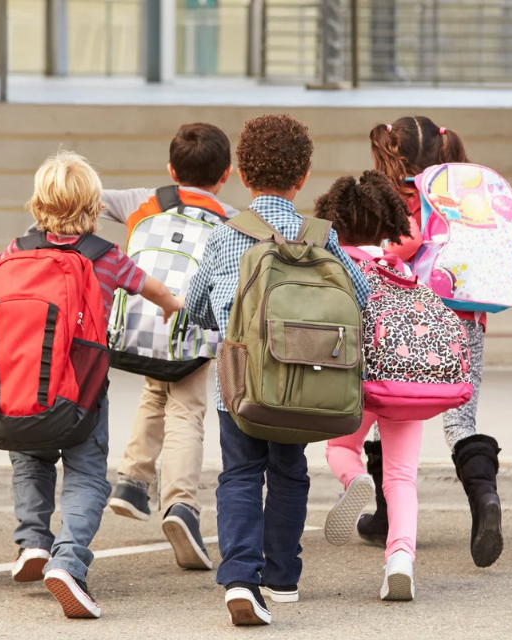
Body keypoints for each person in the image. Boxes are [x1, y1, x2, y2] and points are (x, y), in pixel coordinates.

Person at [0, 151, 185, 619]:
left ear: (38, 203)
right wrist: (173, 304)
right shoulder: (105, 257)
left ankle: (32, 540)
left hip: (22, 390)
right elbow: (150, 288)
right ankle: (68, 560)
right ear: (93, 206)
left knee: (30, 461)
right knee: (87, 473)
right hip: (81, 396)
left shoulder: (17, 249)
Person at [186, 115, 371, 625]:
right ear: (303, 175)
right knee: (289, 473)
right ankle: (283, 577)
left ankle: (241, 578)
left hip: (241, 385)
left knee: (240, 473)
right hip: (303, 382)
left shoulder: (228, 236)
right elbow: (364, 299)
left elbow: (197, 305)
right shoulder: (321, 237)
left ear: (243, 174)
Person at [364, 116, 505, 569]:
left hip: (408, 320)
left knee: (389, 408)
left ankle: (389, 515)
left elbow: (397, 247)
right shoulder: (463, 197)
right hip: (464, 319)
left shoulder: (391, 201)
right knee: (461, 422)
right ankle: (484, 498)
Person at [101, 123, 239, 571]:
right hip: (190, 328)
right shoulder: (231, 220)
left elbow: (89, 196)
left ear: (170, 169)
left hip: (138, 325)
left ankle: (132, 480)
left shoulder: (143, 200)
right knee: (187, 412)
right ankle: (181, 505)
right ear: (226, 174)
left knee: (154, 389)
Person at [313, 171, 426, 600]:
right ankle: (400, 560)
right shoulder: (400, 268)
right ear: (387, 224)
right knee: (401, 476)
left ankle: (355, 478)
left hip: (352, 383)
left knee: (341, 447)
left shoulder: (334, 263)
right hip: (403, 384)